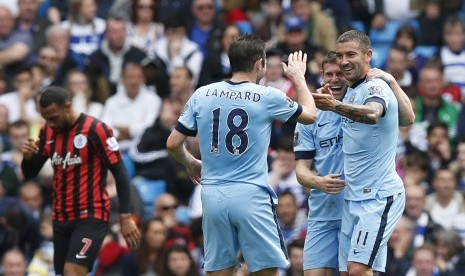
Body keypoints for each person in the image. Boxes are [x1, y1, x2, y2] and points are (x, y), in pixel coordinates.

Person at [166, 34, 317, 275]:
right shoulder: (267, 96)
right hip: (251, 194)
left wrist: (191, 162)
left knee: (219, 270)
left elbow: (173, 143)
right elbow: (311, 114)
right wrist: (298, 77)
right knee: (266, 270)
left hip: (213, 195)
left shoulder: (203, 93)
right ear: (260, 64)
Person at [295, 51, 414, 276]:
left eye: (340, 73)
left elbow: (406, 118)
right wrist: (317, 181)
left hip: (363, 202)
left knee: (358, 270)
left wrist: (390, 80)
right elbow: (301, 169)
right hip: (324, 210)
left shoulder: (363, 97)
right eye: (329, 74)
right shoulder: (312, 115)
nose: (335, 79)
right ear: (321, 76)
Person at [20, 86, 141, 276]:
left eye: (53, 117)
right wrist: (27, 158)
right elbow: (30, 173)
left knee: (72, 271)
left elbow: (120, 172)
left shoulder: (96, 129)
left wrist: (125, 216)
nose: (50, 123)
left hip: (90, 215)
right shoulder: (48, 131)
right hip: (60, 216)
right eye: (45, 119)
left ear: (67, 106)